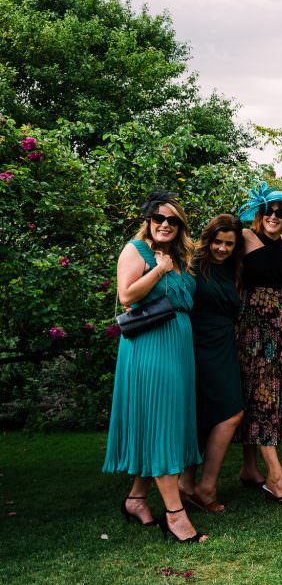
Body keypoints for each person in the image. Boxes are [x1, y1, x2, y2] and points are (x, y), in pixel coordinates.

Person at [103, 191, 206, 543]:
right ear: (148, 220)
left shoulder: (178, 256)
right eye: (159, 218)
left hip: (177, 347)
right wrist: (158, 270)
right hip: (150, 348)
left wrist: (168, 265)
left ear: (180, 226)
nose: (165, 224)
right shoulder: (137, 251)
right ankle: (175, 515)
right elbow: (127, 295)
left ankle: (135, 499)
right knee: (161, 424)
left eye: (173, 220)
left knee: (165, 422)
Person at [235, 182, 282, 507]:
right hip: (253, 326)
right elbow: (219, 261)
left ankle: (250, 468)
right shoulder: (244, 237)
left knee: (269, 393)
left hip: (281, 329)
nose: (274, 216)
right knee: (261, 394)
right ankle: (275, 477)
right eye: (269, 210)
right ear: (259, 212)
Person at [180, 214, 245, 514]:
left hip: (224, 344)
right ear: (209, 239)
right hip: (196, 344)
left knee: (220, 413)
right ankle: (202, 486)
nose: (222, 248)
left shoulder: (234, 269)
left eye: (229, 244)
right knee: (226, 412)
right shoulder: (192, 264)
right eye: (218, 242)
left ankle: (191, 484)